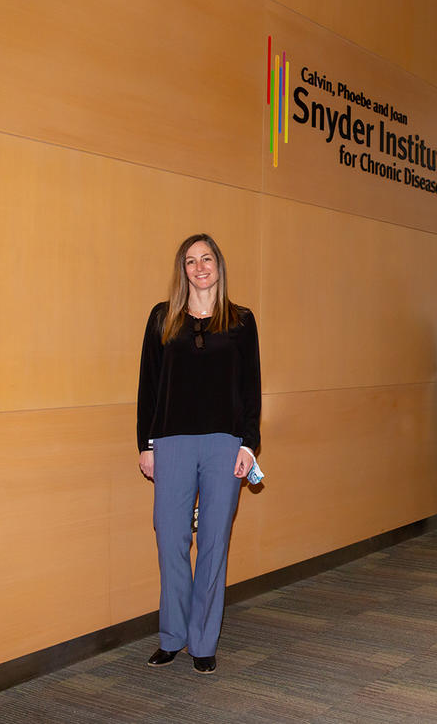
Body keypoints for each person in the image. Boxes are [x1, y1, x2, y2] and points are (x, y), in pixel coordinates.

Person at [136, 233, 261, 674]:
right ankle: (173, 635)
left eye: (206, 259)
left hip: (224, 444)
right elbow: (148, 386)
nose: (199, 267)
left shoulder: (242, 321)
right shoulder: (162, 318)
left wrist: (249, 443)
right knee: (171, 539)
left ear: (218, 265)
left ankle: (203, 641)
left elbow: (251, 388)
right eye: (191, 261)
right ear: (182, 269)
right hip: (170, 442)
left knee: (213, 543)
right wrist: (145, 445)